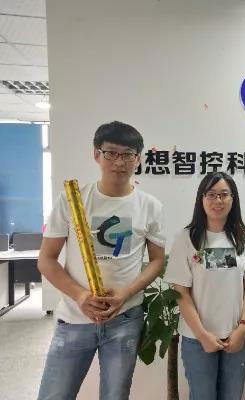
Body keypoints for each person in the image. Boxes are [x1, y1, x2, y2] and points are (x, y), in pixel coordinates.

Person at [37, 121, 166, 400]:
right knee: (54, 394)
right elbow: (46, 260)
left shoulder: (150, 206)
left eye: (128, 154)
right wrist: (81, 296)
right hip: (74, 315)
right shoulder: (71, 200)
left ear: (138, 159)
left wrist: (126, 293)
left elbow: (157, 261)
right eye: (111, 153)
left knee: (115, 395)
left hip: (125, 317)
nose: (119, 162)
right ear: (97, 154)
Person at [165, 172, 245, 400]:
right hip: (197, 337)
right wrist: (202, 335)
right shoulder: (187, 238)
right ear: (201, 199)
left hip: (238, 335)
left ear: (233, 199)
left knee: (232, 395)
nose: (217, 201)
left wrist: (243, 328)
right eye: (211, 194)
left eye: (224, 194)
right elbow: (181, 292)